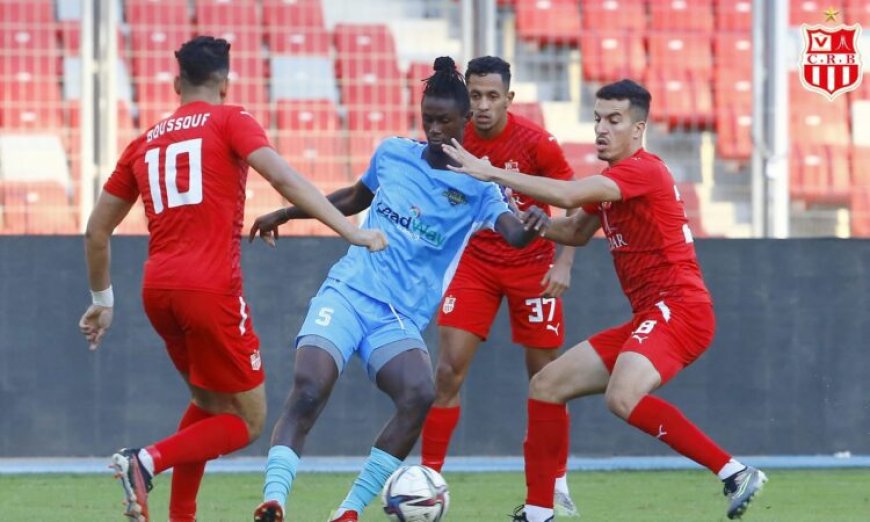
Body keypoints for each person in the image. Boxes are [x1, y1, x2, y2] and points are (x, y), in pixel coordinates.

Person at [78, 36, 386, 522]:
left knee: (207, 402)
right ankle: (145, 462)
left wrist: (102, 299)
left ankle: (182, 515)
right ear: (225, 83)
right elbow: (283, 179)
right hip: (210, 287)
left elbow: (97, 229)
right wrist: (350, 228)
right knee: (247, 420)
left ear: (177, 82)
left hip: (157, 289)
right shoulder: (231, 119)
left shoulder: (144, 141)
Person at [442, 79, 767, 522]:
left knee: (622, 397)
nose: (601, 129)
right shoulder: (615, 182)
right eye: (597, 119)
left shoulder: (642, 171)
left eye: (614, 120)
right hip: (651, 315)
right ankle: (539, 511)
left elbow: (569, 194)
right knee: (546, 385)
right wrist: (522, 219)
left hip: (680, 310)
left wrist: (492, 172)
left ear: (638, 129)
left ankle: (734, 471)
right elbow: (574, 230)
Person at [248, 56, 549, 522]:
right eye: (427, 118)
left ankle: (348, 510)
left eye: (443, 121)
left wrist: (533, 226)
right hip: (348, 292)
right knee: (310, 387)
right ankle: (274, 499)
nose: (432, 129)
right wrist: (287, 214)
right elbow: (354, 197)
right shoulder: (392, 153)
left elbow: (512, 234)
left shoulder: (479, 188)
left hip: (398, 318)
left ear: (465, 122)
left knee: (419, 396)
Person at [419, 56, 579, 516]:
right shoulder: (452, 139)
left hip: (534, 266)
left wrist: (565, 263)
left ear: (509, 98)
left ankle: (558, 483)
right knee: (448, 371)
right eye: (475, 95)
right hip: (475, 264)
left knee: (549, 380)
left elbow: (575, 204)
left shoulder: (537, 143)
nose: (483, 105)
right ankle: (430, 479)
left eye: (493, 96)